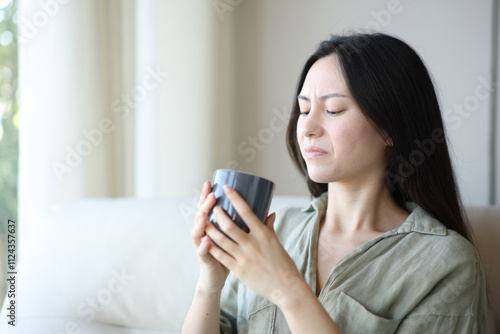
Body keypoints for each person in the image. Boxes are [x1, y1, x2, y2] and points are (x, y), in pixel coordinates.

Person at [181, 33, 488, 333]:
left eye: (333, 110)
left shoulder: (445, 262)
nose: (308, 128)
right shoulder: (279, 231)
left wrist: (287, 288)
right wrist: (210, 282)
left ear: (389, 127)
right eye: (304, 110)